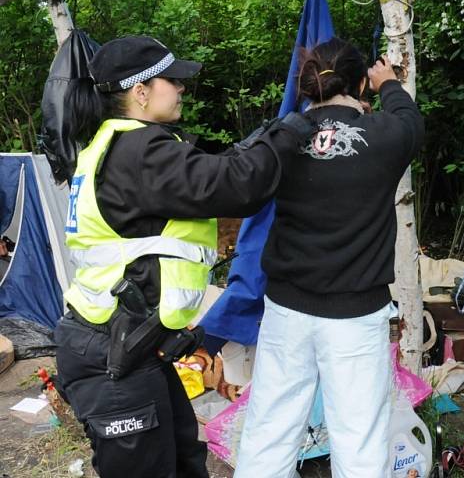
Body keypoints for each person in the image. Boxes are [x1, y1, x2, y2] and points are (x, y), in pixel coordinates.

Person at [53, 35, 314, 478]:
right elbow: (235, 186)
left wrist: (257, 142)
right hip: (114, 356)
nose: (181, 89)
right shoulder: (139, 151)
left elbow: (210, 173)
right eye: (172, 81)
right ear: (140, 91)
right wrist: (288, 132)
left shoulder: (115, 145)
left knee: (184, 461)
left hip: (127, 345)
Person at [235, 38, 424, 478]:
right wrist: (389, 84)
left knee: (270, 430)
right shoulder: (385, 136)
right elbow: (410, 120)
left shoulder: (281, 138)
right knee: (358, 437)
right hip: (355, 315)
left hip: (286, 309)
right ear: (360, 83)